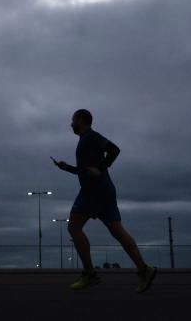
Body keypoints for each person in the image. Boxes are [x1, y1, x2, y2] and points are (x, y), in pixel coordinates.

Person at [53, 109, 157, 293]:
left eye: (73, 120)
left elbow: (114, 150)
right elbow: (85, 170)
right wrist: (67, 167)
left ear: (82, 120)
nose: (71, 124)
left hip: (93, 192)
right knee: (117, 231)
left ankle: (90, 274)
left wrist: (101, 168)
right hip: (104, 191)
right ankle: (144, 269)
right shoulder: (85, 141)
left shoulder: (91, 137)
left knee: (74, 227)